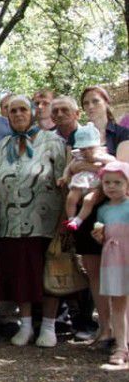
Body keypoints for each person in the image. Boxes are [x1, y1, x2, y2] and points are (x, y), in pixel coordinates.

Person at [0, 95, 66, 348]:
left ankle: (48, 326)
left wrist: (63, 222)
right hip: (11, 223)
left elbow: (64, 182)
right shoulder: (3, 145)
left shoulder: (52, 141)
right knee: (21, 276)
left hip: (45, 222)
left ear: (33, 112)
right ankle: (25, 326)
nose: (18, 114)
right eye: (13, 111)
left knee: (48, 275)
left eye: (23, 109)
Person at [69, 86, 129, 350]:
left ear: (106, 103)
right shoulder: (79, 135)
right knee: (94, 273)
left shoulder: (123, 135)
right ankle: (104, 329)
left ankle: (122, 335)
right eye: (87, 103)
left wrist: (89, 165)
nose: (91, 106)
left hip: (115, 214)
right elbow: (70, 169)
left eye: (96, 101)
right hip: (86, 214)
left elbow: (122, 169)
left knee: (121, 274)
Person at [91, 161, 129, 370]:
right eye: (107, 183)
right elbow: (104, 236)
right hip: (113, 259)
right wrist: (99, 236)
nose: (112, 187)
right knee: (118, 302)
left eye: (117, 182)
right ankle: (120, 345)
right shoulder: (103, 210)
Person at [62, 124, 111, 229]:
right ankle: (71, 219)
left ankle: (78, 220)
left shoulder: (102, 154)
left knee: (89, 200)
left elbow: (114, 163)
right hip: (79, 182)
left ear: (97, 145)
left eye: (90, 148)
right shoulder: (78, 156)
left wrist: (98, 159)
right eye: (83, 149)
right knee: (70, 198)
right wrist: (64, 176)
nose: (87, 151)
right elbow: (69, 167)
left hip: (95, 184)